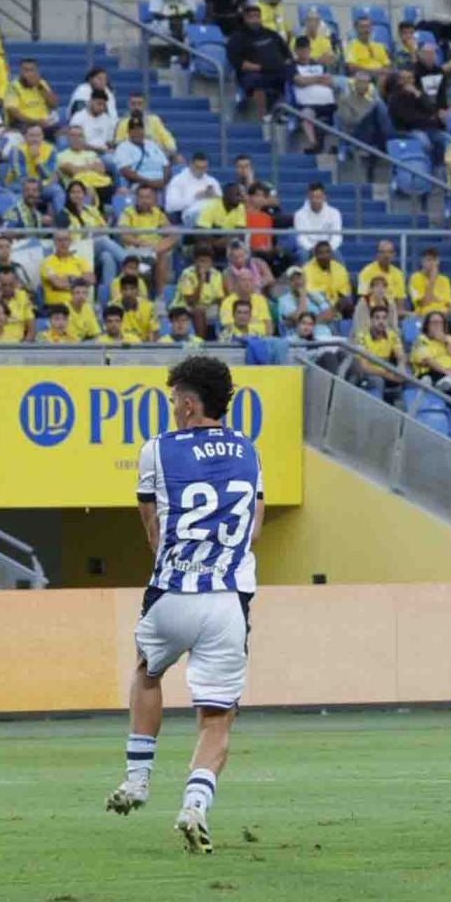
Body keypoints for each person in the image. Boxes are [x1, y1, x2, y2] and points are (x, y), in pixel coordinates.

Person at [105, 357, 264, 856]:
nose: (174, 408)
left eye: (175, 400)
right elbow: (256, 524)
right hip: (228, 601)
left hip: (172, 592)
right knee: (217, 718)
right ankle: (194, 805)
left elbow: (152, 527)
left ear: (190, 404)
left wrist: (177, 554)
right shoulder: (249, 449)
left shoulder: (156, 449)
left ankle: (137, 778)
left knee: (147, 671)